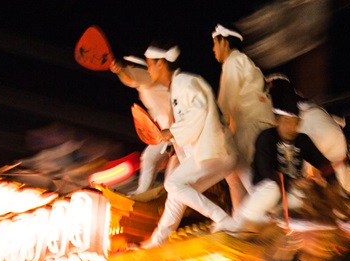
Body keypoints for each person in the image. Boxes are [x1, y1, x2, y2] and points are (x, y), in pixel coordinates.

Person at [141, 42, 239, 247]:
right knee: (177, 193)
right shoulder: (176, 89)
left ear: (160, 64)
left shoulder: (185, 82)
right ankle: (159, 240)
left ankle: (223, 219)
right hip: (212, 154)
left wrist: (172, 132)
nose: (148, 69)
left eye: (150, 64)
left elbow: (200, 110)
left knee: (173, 184)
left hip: (216, 150)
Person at [221, 87, 338, 233]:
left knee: (306, 198)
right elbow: (265, 171)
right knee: (272, 190)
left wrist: (333, 186)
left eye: (295, 122)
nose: (291, 127)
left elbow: (324, 164)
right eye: (286, 121)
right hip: (264, 191)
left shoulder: (303, 140)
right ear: (277, 121)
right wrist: (295, 182)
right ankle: (235, 228)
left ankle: (280, 230)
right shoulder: (266, 138)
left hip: (291, 195)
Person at [267, 74, 350, 200]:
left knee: (295, 180)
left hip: (315, 134)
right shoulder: (304, 101)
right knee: (340, 191)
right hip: (336, 139)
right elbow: (341, 121)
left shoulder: (278, 100)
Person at [211, 24, 275, 208]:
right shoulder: (245, 62)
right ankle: (241, 218)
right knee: (233, 172)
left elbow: (224, 104)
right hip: (260, 124)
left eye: (214, 43)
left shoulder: (233, 62)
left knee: (235, 164)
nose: (213, 49)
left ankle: (262, 211)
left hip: (250, 125)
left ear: (223, 42)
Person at [109, 54, 173, 195]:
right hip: (167, 134)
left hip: (178, 132)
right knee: (150, 157)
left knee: (175, 179)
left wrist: (119, 70)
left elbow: (131, 79)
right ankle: (142, 194)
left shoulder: (148, 79)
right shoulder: (146, 87)